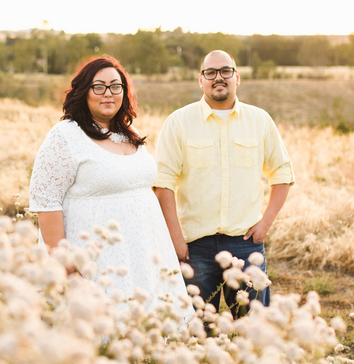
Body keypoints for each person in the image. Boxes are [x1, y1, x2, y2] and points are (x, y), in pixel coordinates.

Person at [29, 55, 190, 314]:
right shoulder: (66, 136)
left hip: (145, 255)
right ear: (84, 91)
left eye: (116, 86)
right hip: (96, 261)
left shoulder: (129, 131)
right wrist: (68, 270)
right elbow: (46, 203)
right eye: (99, 86)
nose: (109, 93)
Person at [153, 49, 294, 317]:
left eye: (225, 71)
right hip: (195, 246)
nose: (219, 77)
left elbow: (283, 174)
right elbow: (163, 184)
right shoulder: (179, 122)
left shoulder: (259, 120)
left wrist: (264, 224)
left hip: (245, 243)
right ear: (201, 80)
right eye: (211, 72)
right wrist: (176, 239)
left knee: (253, 328)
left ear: (237, 77)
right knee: (195, 330)